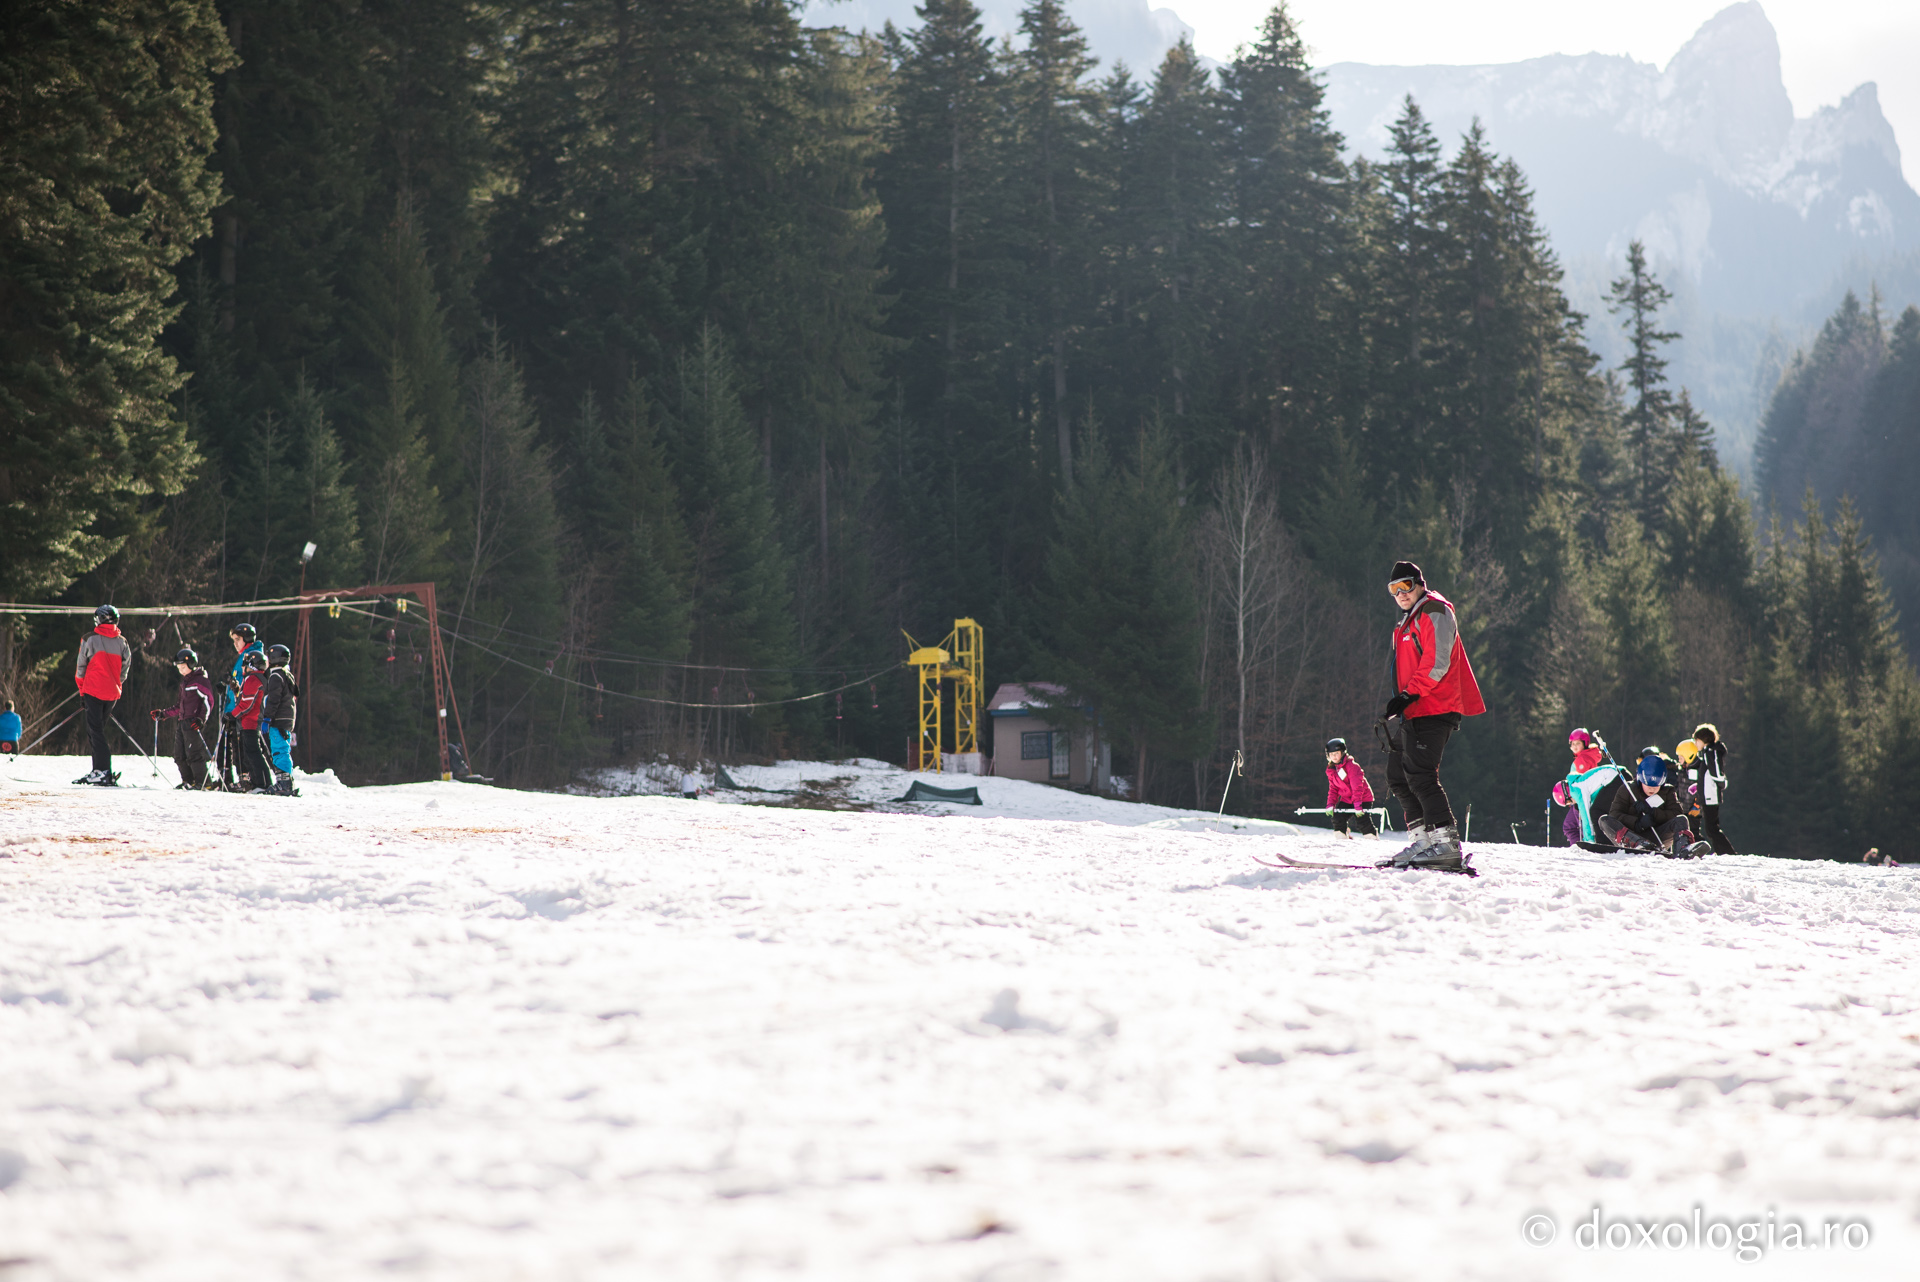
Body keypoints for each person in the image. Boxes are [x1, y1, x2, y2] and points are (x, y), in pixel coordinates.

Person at [1376, 561, 1486, 870]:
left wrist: (1409, 694)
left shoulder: (1434, 611)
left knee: (1420, 773)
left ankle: (1446, 844)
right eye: (1393, 589)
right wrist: (1402, 701)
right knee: (1397, 774)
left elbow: (1437, 661)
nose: (1400, 594)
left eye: (1406, 586)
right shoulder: (1406, 622)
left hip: (1435, 705)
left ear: (1420, 584)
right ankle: (1423, 840)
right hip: (1416, 709)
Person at [1600, 756, 1711, 857]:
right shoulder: (1627, 789)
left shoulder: (1668, 791)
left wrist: (1653, 813)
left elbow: (1676, 813)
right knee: (1604, 820)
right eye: (1647, 785)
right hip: (1630, 836)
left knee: (1682, 819)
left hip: (1657, 837)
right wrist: (1637, 823)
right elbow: (1615, 814)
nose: (1652, 789)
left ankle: (1683, 849)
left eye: (1656, 786)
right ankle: (1639, 844)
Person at [74, 604, 131, 786]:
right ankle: (98, 770)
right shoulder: (122, 641)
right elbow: (125, 669)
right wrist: (115, 682)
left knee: (95, 731)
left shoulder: (89, 639)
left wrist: (82, 691)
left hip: (93, 690)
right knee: (96, 731)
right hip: (112, 693)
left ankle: (103, 770)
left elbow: (81, 667)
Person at [150, 647, 215, 789]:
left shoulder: (200, 680)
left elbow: (208, 701)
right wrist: (163, 714)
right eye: (179, 668)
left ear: (191, 665)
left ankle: (204, 783)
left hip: (193, 723)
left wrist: (201, 719)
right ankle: (188, 781)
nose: (181, 671)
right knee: (179, 755)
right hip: (182, 722)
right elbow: (179, 706)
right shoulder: (185, 682)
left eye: (183, 667)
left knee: (194, 754)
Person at [260, 644, 299, 796]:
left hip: (279, 719)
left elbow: (274, 699)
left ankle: (284, 784)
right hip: (287, 718)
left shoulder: (276, 676)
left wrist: (267, 717)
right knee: (282, 748)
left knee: (279, 750)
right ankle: (285, 781)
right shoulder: (287, 674)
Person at [1691, 723, 1735, 854]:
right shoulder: (1707, 753)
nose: (1695, 743)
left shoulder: (1712, 752)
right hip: (1707, 795)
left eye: (1696, 740)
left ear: (1703, 740)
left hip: (1711, 796)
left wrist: (1721, 783)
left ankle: (1727, 853)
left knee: (1712, 828)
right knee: (1711, 828)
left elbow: (1716, 771)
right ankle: (1722, 852)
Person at [231, 650, 271, 793]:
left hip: (250, 722)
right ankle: (261, 783)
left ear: (251, 666)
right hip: (253, 722)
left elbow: (247, 703)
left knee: (253, 753)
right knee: (253, 753)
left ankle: (261, 784)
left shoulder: (253, 679)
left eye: (245, 666)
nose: (243, 669)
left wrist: (232, 715)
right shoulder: (258, 679)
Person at [1324, 737, 1377, 838]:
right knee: (1338, 818)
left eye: (1336, 753)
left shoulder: (1352, 767)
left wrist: (1357, 804)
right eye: (1331, 754)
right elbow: (1333, 789)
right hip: (1347, 799)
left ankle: (1372, 839)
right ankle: (1342, 838)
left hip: (1362, 798)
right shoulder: (1331, 770)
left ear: (1343, 753)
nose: (1334, 757)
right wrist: (1330, 804)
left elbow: (1357, 787)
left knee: (1362, 821)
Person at [1552, 780, 1582, 846]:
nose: (1571, 804)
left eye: (1569, 801)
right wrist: (1577, 845)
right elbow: (1569, 828)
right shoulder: (1575, 807)